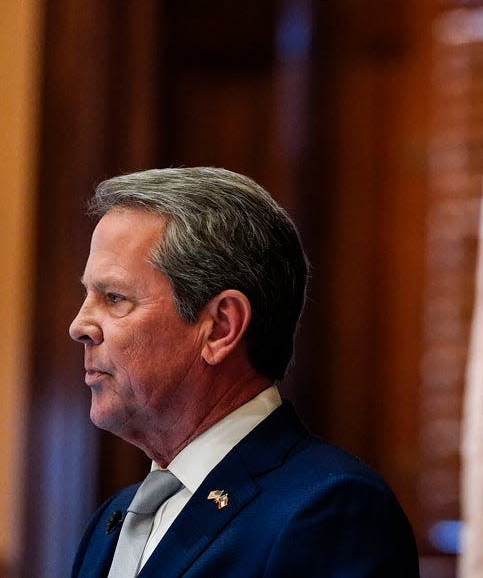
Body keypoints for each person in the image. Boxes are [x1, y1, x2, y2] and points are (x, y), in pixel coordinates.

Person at [69, 167, 420, 577]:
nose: (79, 326)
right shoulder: (110, 521)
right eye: (88, 295)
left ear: (220, 327)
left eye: (114, 298)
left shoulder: (329, 509)